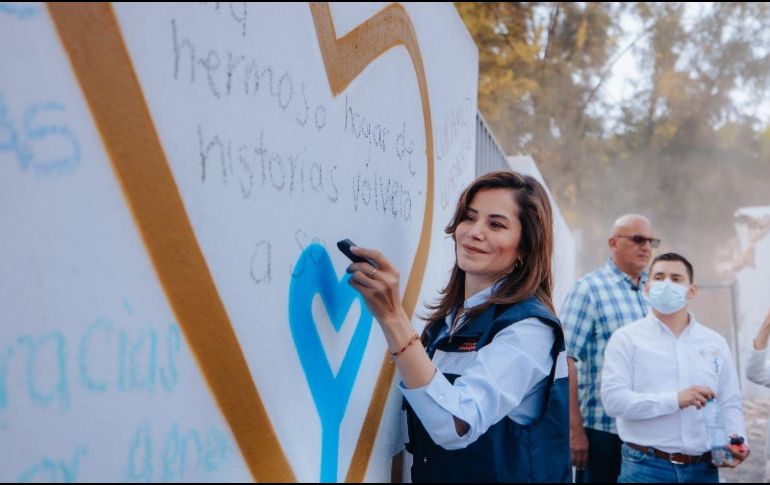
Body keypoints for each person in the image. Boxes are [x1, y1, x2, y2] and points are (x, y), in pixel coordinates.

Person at [346, 170, 571, 482]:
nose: (474, 232)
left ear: (524, 248)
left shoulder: (530, 328)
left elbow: (455, 424)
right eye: (469, 217)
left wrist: (393, 317)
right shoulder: (448, 322)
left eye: (496, 224)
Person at [601, 252, 749, 483]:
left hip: (703, 469)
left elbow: (729, 401)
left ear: (692, 291)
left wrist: (736, 440)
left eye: (676, 278)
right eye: (659, 277)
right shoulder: (626, 339)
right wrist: (676, 400)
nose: (667, 283)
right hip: (645, 467)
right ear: (647, 288)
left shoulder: (714, 342)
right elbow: (613, 401)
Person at [561, 214, 658, 482]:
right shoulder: (589, 290)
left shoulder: (655, 292)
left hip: (650, 432)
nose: (646, 247)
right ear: (613, 243)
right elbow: (564, 360)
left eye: (651, 241)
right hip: (603, 432)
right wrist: (574, 430)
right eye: (638, 239)